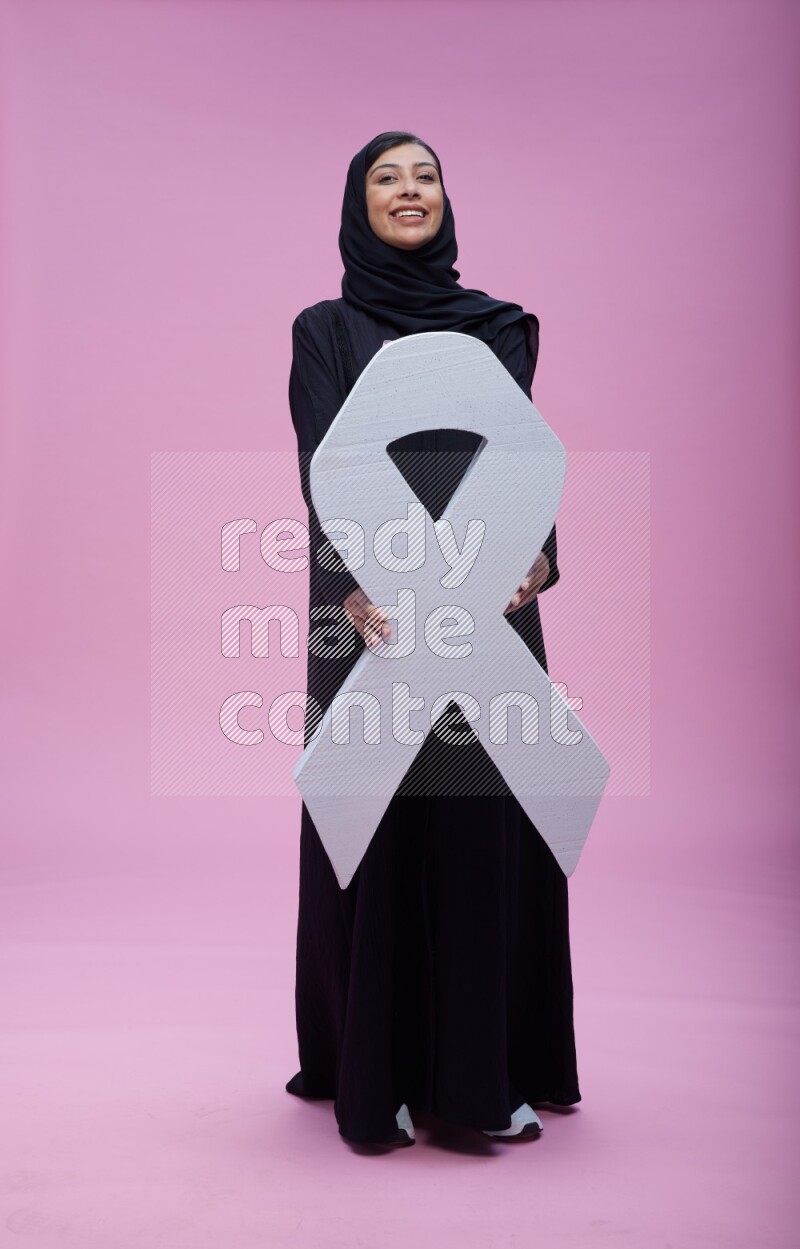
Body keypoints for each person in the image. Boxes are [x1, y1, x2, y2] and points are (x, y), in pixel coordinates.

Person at [285, 131, 580, 1148]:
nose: (408, 192)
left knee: (480, 828)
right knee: (375, 820)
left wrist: (540, 556)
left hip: (487, 599)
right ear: (356, 205)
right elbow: (321, 452)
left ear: (445, 201)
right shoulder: (324, 328)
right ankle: (378, 1074)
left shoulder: (495, 326)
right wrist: (354, 581)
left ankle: (480, 1073)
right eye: (385, 178)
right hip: (373, 598)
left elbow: (523, 447)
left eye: (424, 177)